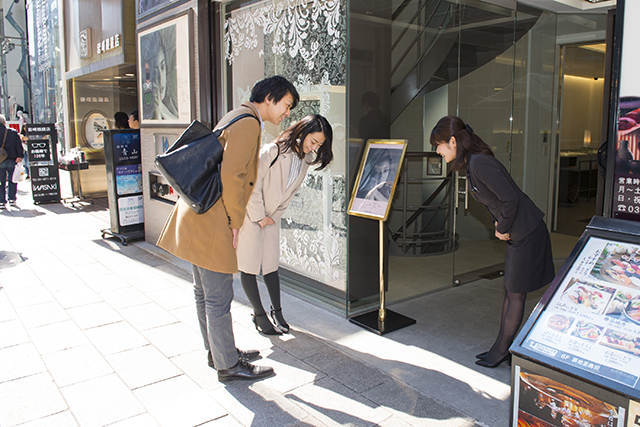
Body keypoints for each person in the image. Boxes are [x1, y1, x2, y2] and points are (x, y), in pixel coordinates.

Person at [157, 76, 299, 381]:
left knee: (204, 292)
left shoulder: (237, 114)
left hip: (197, 213)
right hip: (212, 220)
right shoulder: (249, 123)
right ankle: (228, 365)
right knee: (218, 296)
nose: (287, 113)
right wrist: (236, 224)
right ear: (271, 98)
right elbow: (233, 178)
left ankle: (219, 352)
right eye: (287, 105)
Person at [430, 116, 555, 368]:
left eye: (439, 145)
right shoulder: (474, 163)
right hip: (519, 233)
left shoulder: (480, 163)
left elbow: (510, 199)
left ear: (453, 142)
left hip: (527, 233)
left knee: (516, 294)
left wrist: (502, 227)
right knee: (510, 292)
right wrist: (501, 226)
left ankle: (501, 351)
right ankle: (502, 347)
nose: (437, 151)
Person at [236, 114, 334, 335]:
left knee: (270, 266)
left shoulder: (305, 160)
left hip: (271, 218)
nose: (314, 147)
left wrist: (274, 216)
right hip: (253, 215)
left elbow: (289, 193)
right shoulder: (272, 151)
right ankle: (258, 314)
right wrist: (259, 215)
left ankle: (277, 312)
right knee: (249, 265)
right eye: (313, 140)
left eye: (319, 144)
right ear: (302, 132)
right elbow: (252, 185)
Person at [0, 114, 24, 209]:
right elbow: (18, 145)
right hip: (12, 159)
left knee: (1, 181)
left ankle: (1, 201)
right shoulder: (12, 132)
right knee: (12, 179)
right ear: (4, 122)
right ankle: (12, 199)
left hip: (0, 160)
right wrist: (20, 155)